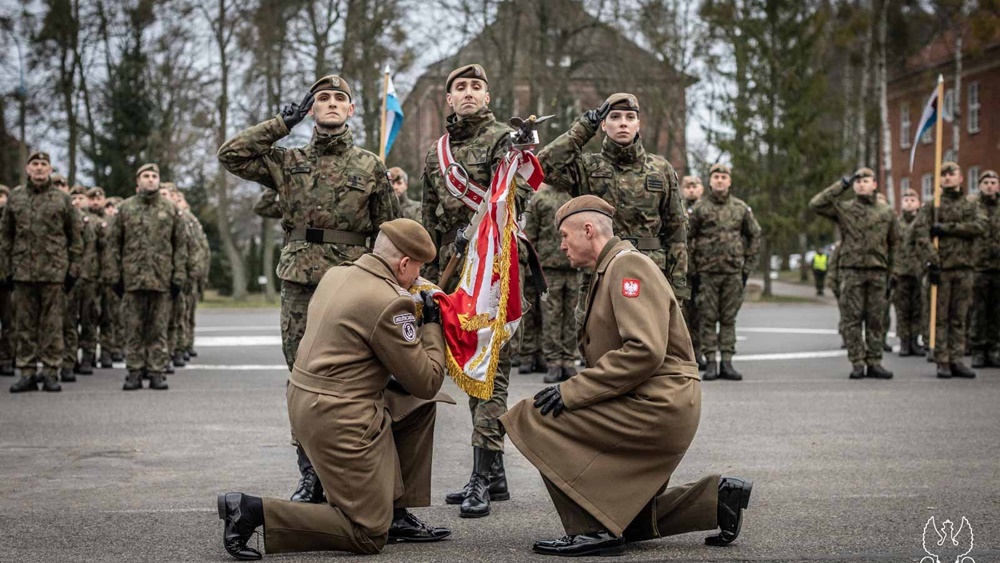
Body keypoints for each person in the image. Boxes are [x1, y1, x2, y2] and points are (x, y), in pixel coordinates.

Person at [501, 195, 751, 557]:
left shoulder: (627, 267)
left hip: (657, 404)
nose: (561, 246)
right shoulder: (610, 268)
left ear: (588, 230)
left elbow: (644, 351)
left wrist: (573, 390)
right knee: (628, 520)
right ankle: (717, 500)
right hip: (649, 399)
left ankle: (590, 529)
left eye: (564, 236)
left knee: (534, 416)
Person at [216, 219, 453, 560]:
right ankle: (253, 511)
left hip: (306, 400)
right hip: (338, 416)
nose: (418, 278)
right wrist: (431, 327)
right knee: (368, 534)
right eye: (417, 270)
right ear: (403, 264)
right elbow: (427, 381)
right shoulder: (389, 303)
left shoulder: (337, 274)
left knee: (417, 408)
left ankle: (395, 512)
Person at [219, 74, 399, 502]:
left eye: (340, 98)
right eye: (322, 99)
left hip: (354, 283)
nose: (332, 104)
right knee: (301, 380)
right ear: (312, 109)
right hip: (301, 282)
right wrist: (282, 123)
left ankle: (363, 474)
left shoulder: (369, 165)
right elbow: (231, 156)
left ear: (352, 109)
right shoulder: (289, 160)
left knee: (362, 378)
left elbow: (390, 231)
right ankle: (310, 474)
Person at [420, 63, 525, 517]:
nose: (468, 93)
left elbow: (514, 196)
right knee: (467, 362)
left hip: (496, 270)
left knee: (489, 370)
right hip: (454, 272)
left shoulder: (505, 140)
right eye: (459, 87)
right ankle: (495, 476)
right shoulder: (435, 154)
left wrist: (521, 149)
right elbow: (426, 222)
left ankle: (482, 476)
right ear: (448, 98)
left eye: (475, 87)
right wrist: (423, 275)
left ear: (487, 95)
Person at [537, 93, 689, 304]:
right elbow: (541, 167)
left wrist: (677, 291)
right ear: (603, 125)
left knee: (647, 336)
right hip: (600, 271)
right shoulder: (587, 167)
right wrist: (582, 130)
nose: (623, 124)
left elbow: (677, 233)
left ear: (638, 124)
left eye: (629, 117)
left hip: (649, 271)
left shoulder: (661, 170)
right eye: (615, 117)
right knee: (598, 336)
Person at [2, 153, 83, 392]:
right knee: (23, 326)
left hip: (54, 273)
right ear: (27, 168)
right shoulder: (16, 198)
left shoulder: (62, 200)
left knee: (52, 325)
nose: (39, 169)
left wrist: (73, 270)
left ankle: (50, 372)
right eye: (35, 164)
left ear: (49, 169)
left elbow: (75, 238)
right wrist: (5, 269)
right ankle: (26, 372)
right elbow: (5, 236)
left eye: (43, 165)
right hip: (23, 272)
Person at [809, 168, 897, 380]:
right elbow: (816, 204)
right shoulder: (845, 209)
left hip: (877, 271)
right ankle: (857, 362)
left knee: (876, 320)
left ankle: (875, 362)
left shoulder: (886, 212)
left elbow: (894, 245)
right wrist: (842, 184)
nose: (861, 184)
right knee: (852, 319)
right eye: (858, 181)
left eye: (865, 181)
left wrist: (892, 274)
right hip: (851, 272)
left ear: (874, 184)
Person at [108, 163, 188, 390]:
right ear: (138, 181)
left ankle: (156, 371)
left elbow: (180, 245)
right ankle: (134, 371)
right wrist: (115, 276)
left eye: (154, 176)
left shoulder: (170, 209)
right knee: (133, 328)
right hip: (132, 279)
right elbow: (114, 244)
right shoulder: (126, 208)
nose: (150, 179)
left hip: (162, 279)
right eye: (146, 176)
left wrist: (178, 277)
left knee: (158, 328)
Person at [689, 164, 761, 380]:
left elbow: (755, 235)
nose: (720, 181)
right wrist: (693, 268)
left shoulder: (740, 208)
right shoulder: (700, 208)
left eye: (723, 177)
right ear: (710, 182)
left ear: (729, 181)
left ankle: (727, 362)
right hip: (707, 274)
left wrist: (747, 267)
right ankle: (711, 362)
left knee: (729, 319)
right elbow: (685, 237)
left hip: (732, 274)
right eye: (716, 177)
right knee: (708, 319)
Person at [524, 183, 580, 383]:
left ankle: (569, 360)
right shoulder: (540, 198)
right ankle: (554, 361)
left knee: (573, 315)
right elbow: (530, 236)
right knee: (551, 316)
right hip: (547, 267)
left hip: (575, 265)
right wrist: (530, 267)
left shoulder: (576, 195)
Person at [62, 185, 99, 380]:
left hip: (90, 278)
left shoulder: (94, 222)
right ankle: (68, 361)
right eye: (73, 197)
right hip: (68, 278)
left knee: (88, 320)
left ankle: (87, 357)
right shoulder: (65, 220)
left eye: (80, 198)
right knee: (68, 321)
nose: (77, 201)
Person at [970, 170, 1000, 367]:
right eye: (986, 182)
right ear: (980, 185)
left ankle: (994, 349)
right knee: (978, 311)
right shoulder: (972, 206)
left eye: (993, 182)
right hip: (978, 266)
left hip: (998, 266)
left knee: (997, 311)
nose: (989, 185)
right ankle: (978, 349)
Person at [893, 189, 925, 356]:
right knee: (902, 310)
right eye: (906, 199)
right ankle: (904, 342)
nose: (909, 202)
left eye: (913, 199)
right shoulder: (896, 224)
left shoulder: (923, 223)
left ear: (918, 203)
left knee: (918, 309)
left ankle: (914, 340)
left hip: (918, 272)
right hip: (901, 273)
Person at [682, 175, 705, 369]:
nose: (691, 190)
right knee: (683, 314)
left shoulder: (706, 209)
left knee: (702, 314)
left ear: (701, 189)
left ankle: (701, 351)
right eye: (687, 186)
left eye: (694, 186)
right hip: (683, 271)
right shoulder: (677, 208)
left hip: (704, 270)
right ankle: (686, 353)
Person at [0, 184, 13, 377]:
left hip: (7, 276)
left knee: (9, 322)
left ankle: (6, 360)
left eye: (3, 195)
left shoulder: (11, 220)